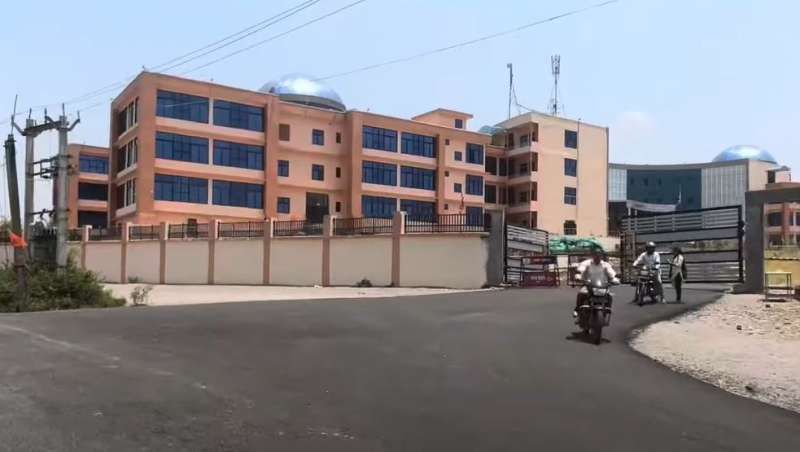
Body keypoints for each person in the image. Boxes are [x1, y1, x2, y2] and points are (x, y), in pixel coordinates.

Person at [573, 249, 619, 320]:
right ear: (592, 255)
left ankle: (607, 309)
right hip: (588, 285)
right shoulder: (586, 263)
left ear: (601, 256)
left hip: (602, 286)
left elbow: (611, 274)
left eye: (599, 255)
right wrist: (578, 276)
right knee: (581, 293)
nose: (597, 257)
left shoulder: (605, 265)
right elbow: (580, 271)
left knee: (609, 296)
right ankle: (577, 309)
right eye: (596, 255)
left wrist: (614, 280)